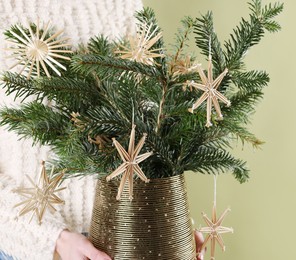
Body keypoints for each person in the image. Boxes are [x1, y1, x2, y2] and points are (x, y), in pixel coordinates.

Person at [0, 1, 204, 259]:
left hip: (127, 238)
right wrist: (52, 239)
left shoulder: (125, 6)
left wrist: (169, 222)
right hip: (29, 249)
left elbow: (150, 130)